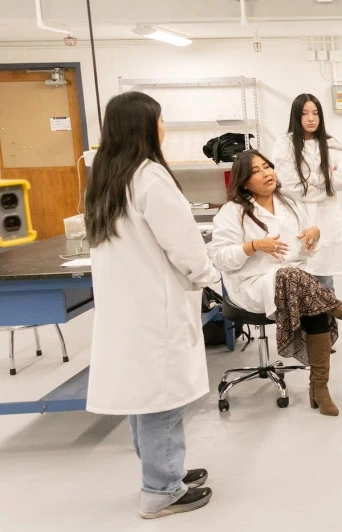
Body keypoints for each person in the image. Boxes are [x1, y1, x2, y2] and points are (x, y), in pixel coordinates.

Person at [84, 91, 220, 518]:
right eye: (160, 120)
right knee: (162, 394)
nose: (164, 127)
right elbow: (183, 245)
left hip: (128, 308)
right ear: (145, 126)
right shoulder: (149, 178)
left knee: (144, 393)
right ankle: (161, 488)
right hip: (154, 307)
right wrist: (209, 276)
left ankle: (161, 470)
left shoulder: (107, 178)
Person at [209, 151, 342, 417]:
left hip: (294, 281)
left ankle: (319, 387)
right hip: (251, 285)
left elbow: (302, 251)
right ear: (243, 182)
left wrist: (314, 234)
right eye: (256, 171)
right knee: (296, 281)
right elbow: (218, 258)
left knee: (305, 291)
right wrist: (253, 246)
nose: (266, 173)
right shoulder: (232, 212)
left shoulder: (289, 204)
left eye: (267, 167)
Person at [272, 94, 342, 292]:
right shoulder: (284, 144)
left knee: (325, 283)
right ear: (296, 117)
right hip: (297, 217)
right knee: (297, 281)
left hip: (326, 218)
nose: (311, 118)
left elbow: (341, 181)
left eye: (315, 113)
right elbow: (291, 187)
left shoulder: (331, 144)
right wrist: (325, 177)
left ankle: (327, 323)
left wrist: (308, 178)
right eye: (305, 113)